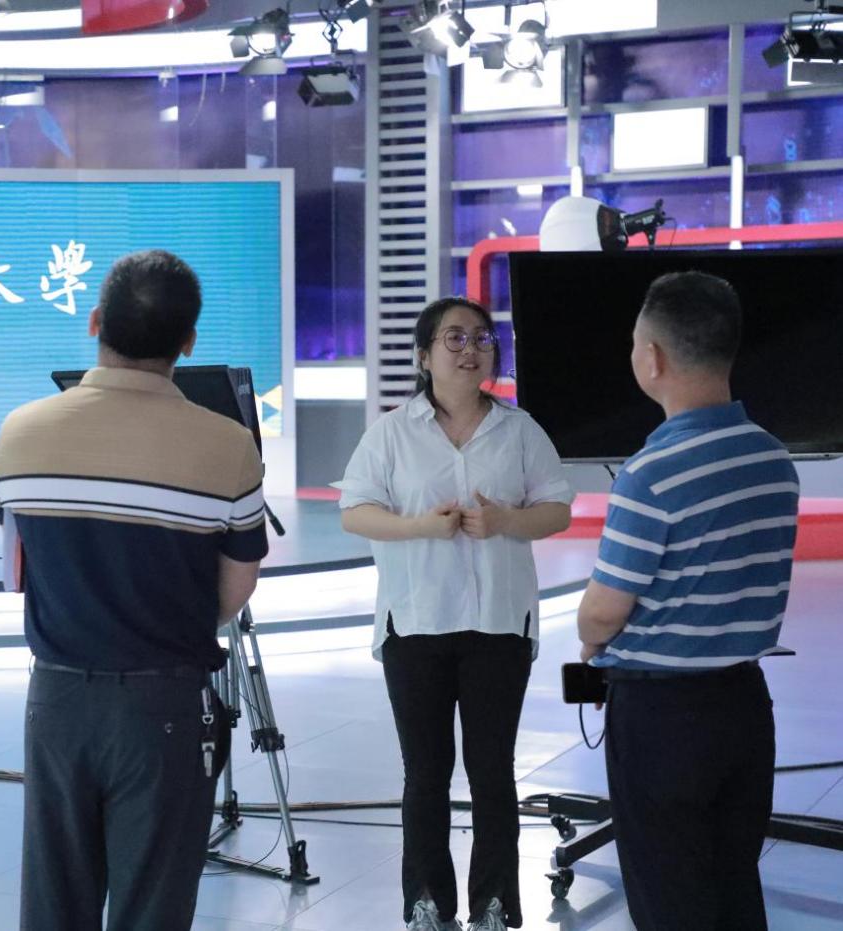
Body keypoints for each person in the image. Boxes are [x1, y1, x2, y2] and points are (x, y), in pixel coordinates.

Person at [0, 249, 269, 931]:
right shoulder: (229, 445)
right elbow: (234, 590)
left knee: (54, 904)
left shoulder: (20, 432)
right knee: (153, 905)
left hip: (56, 702)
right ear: (188, 341)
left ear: (95, 322)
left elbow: (19, 566)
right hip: (165, 706)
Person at [336, 297, 574, 931]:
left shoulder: (520, 430)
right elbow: (355, 511)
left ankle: (495, 902)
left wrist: (506, 520)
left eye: (482, 339)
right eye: (455, 338)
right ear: (424, 356)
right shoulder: (390, 433)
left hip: (499, 623)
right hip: (416, 623)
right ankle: (427, 902)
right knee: (425, 773)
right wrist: (419, 526)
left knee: (493, 770)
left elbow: (557, 510)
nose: (472, 350)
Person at [576, 270, 798, 931]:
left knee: (671, 898)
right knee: (734, 886)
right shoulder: (774, 458)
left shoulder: (651, 474)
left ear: (653, 358)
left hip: (662, 718)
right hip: (744, 706)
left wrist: (590, 639)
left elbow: (602, 611)